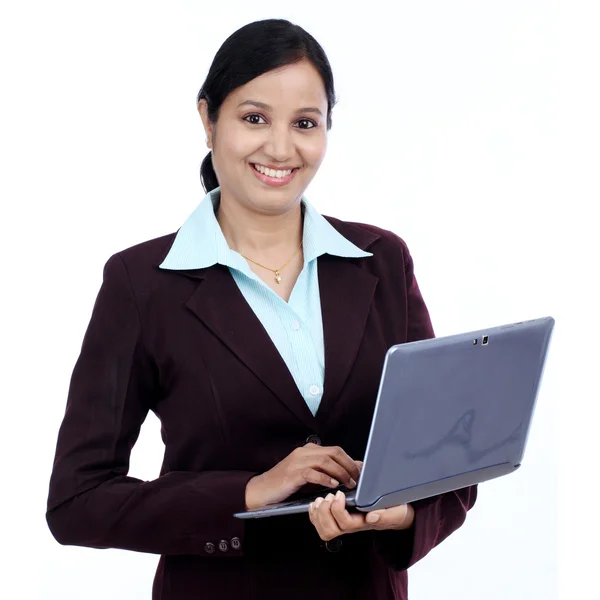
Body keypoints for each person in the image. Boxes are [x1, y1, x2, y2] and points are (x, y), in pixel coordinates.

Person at [46, 18, 476, 600]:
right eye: (254, 118)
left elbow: (447, 467)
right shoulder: (141, 284)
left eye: (305, 123)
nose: (280, 148)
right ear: (207, 118)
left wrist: (398, 517)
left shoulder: (382, 262)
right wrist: (251, 491)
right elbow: (77, 501)